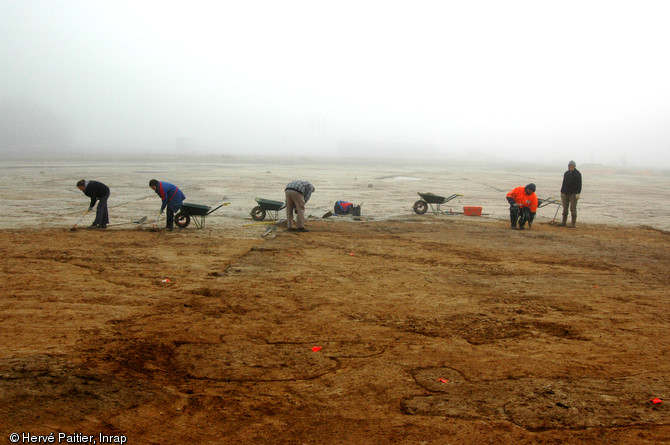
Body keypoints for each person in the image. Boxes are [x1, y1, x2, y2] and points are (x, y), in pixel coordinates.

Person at [559, 160, 582, 228]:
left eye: (572, 166)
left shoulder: (578, 174)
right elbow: (564, 183)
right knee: (565, 208)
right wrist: (562, 191)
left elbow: (579, 184)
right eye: (570, 166)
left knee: (573, 208)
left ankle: (573, 223)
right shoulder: (566, 173)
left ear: (574, 167)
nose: (571, 167)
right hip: (565, 193)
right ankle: (564, 222)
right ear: (568, 167)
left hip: (573, 194)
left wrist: (578, 193)